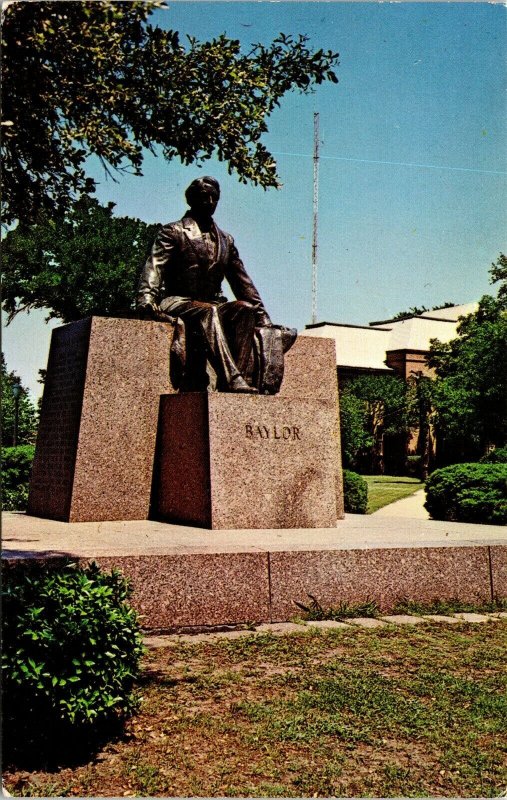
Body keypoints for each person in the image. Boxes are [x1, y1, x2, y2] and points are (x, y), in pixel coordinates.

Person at [137, 176, 295, 393]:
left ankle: (234, 383)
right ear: (191, 200)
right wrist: (146, 297)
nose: (210, 202)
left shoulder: (226, 241)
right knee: (209, 311)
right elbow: (155, 266)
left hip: (211, 304)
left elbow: (242, 282)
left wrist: (263, 317)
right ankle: (232, 377)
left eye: (215, 198)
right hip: (177, 301)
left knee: (244, 310)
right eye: (204, 197)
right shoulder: (173, 232)